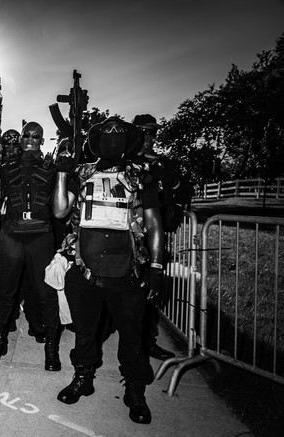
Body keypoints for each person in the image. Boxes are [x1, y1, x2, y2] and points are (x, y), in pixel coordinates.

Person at [53, 116, 164, 424]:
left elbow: (154, 223)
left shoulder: (140, 175)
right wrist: (62, 172)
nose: (112, 137)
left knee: (132, 335)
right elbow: (61, 210)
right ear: (96, 140)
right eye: (106, 133)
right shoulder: (83, 172)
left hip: (126, 273)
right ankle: (83, 377)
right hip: (85, 270)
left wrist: (155, 264)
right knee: (85, 332)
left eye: (118, 133)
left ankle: (135, 391)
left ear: (127, 140)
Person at [0, 121, 61, 371]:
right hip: (12, 233)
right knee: (5, 290)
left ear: (41, 139)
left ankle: (51, 348)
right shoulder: (5, 167)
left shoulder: (51, 167)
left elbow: (61, 207)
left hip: (41, 235)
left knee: (46, 292)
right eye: (26, 134)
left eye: (35, 135)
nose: (29, 138)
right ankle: (0, 340)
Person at [131, 114, 176, 360]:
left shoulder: (161, 163)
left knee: (150, 293)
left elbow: (177, 189)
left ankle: (147, 341)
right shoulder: (127, 160)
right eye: (144, 132)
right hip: (132, 236)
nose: (149, 137)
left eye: (152, 132)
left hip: (154, 237)